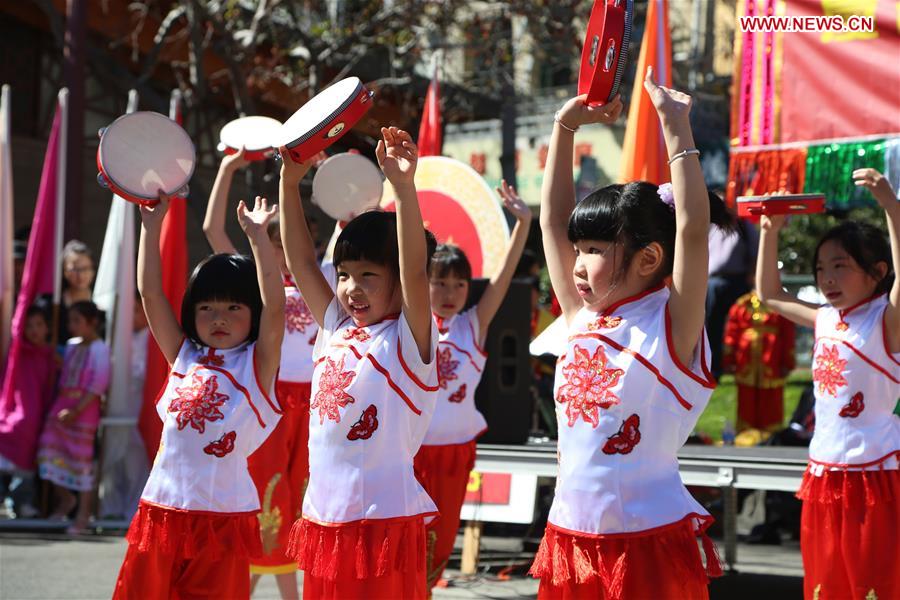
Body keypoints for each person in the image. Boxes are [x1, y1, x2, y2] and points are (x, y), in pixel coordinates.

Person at [529, 68, 734, 599]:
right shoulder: (580, 317)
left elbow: (691, 227)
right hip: (570, 535)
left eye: (595, 250)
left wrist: (675, 124)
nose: (577, 262)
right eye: (579, 250)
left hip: (646, 541)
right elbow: (552, 222)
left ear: (649, 258)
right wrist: (563, 127)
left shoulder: (671, 323)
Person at [278, 127, 438, 599]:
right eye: (345, 275)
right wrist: (290, 183)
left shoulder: (407, 339)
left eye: (368, 275)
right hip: (324, 517)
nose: (351, 288)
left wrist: (404, 190)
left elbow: (413, 270)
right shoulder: (335, 327)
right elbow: (303, 262)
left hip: (382, 521)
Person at [112, 193, 285, 600]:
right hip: (162, 510)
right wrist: (150, 227)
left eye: (233, 307)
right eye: (206, 307)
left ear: (252, 314)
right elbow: (151, 294)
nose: (219, 317)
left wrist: (259, 238)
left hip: (223, 518)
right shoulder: (183, 355)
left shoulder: (257, 365)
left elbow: (276, 308)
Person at [755, 168, 899, 599]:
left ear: (878, 271)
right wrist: (770, 231)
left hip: (875, 474)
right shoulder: (824, 318)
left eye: (840, 266)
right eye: (821, 269)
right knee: (826, 580)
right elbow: (771, 295)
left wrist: (891, 207)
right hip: (823, 470)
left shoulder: (886, 321)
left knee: (874, 581)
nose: (827, 278)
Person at [203, 148, 316, 600]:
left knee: (300, 501)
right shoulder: (252, 277)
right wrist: (229, 167)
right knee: (267, 498)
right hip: (268, 398)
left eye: (289, 242)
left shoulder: (322, 277)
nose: (282, 250)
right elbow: (213, 229)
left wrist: (332, 177)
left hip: (315, 405)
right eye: (275, 242)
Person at [416, 180, 532, 590]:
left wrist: (523, 224)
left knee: (440, 543)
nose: (450, 293)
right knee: (404, 543)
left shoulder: (473, 325)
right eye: (439, 283)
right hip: (408, 452)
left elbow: (502, 279)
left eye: (459, 284)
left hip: (454, 453)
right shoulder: (408, 325)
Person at [36, 300, 110, 534]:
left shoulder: (101, 349)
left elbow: (98, 384)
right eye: (70, 320)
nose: (71, 325)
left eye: (77, 321)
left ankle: (83, 515)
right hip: (61, 407)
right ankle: (66, 499)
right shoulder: (70, 346)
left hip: (83, 411)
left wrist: (76, 411)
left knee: (82, 464)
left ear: (92, 323)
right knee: (47, 454)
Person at [0, 303, 58, 518]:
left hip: (39, 419)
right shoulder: (19, 352)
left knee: (27, 468)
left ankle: (20, 503)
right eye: (30, 325)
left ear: (47, 328)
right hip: (17, 417)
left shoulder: (52, 355)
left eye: (39, 325)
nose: (34, 330)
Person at [722, 290, 796, 432]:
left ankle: (771, 431)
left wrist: (787, 362)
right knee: (746, 395)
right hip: (746, 357)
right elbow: (731, 333)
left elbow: (788, 334)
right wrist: (729, 359)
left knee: (772, 395)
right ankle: (745, 431)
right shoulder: (742, 304)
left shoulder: (781, 305)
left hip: (772, 357)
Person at [706, 213, 759, 379]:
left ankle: (739, 365)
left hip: (738, 282)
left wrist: (752, 280)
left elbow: (755, 253)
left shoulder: (744, 225)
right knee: (712, 326)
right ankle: (713, 368)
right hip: (713, 282)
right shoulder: (710, 224)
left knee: (740, 326)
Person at [57, 241, 97, 346]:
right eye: (75, 269)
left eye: (85, 269)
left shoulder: (101, 302)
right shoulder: (55, 303)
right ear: (64, 271)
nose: (80, 275)